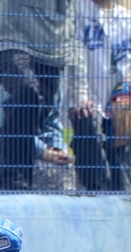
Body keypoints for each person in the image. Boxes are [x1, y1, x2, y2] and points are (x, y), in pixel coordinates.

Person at [0, 0, 87, 189]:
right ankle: (12, 185)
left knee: (32, 113)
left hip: (52, 53)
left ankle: (13, 186)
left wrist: (58, 148)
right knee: (27, 93)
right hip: (9, 40)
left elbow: (51, 122)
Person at [68, 0, 131, 190]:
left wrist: (127, 87)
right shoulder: (76, 9)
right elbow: (73, 60)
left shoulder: (126, 19)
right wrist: (81, 97)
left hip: (119, 112)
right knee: (96, 177)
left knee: (120, 180)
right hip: (85, 109)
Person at [0, 76, 72, 190]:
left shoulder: (54, 78)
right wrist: (42, 151)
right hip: (1, 150)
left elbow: (51, 120)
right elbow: (9, 129)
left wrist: (58, 147)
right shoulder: (12, 79)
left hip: (35, 148)